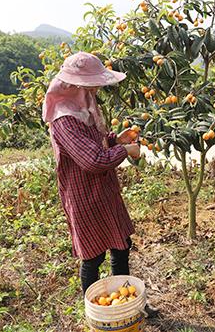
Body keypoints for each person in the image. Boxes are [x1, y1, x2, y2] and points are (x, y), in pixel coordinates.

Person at [42, 52, 144, 296]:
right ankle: (96, 310)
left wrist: (114, 139)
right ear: (77, 87)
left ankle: (123, 299)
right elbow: (93, 160)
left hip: (103, 192)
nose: (97, 90)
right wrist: (126, 149)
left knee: (122, 245)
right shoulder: (65, 120)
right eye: (93, 86)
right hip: (85, 197)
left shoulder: (80, 112)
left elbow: (93, 144)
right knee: (93, 255)